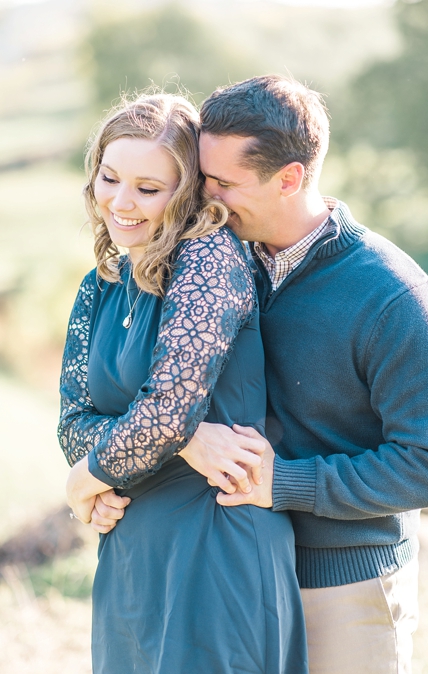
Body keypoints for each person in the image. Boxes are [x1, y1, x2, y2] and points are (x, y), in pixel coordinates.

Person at [97, 75, 428, 673]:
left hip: (343, 587)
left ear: (289, 179)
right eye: (199, 175)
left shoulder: (395, 296)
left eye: (223, 183)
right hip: (235, 575)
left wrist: (283, 483)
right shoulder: (216, 264)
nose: (202, 196)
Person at [59, 93, 307, 673]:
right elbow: (73, 422)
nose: (122, 202)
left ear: (188, 190)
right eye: (110, 177)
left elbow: (169, 408)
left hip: (215, 544)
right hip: (131, 551)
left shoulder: (207, 258)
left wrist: (82, 483)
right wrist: (186, 439)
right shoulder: (104, 280)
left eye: (149, 188)